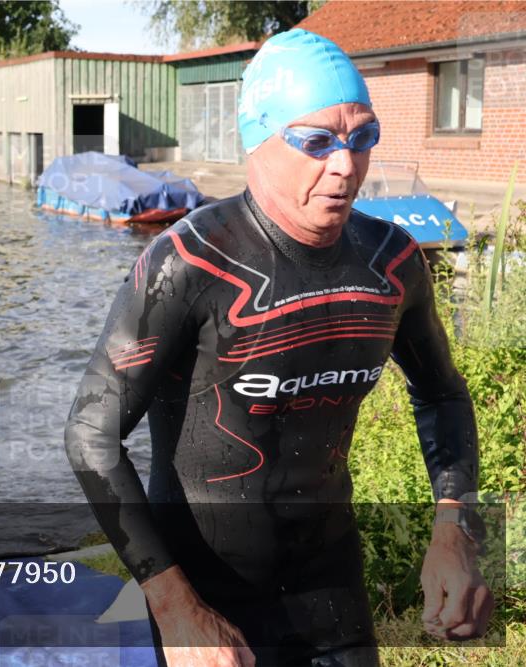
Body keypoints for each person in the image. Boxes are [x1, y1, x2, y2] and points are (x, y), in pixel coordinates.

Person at [64, 28, 490, 667]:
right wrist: (172, 602)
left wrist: (455, 526)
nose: (345, 165)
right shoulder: (187, 264)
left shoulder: (392, 263)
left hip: (330, 583)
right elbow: (91, 434)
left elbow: (443, 395)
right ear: (257, 141)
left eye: (362, 137)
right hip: (205, 593)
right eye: (316, 142)